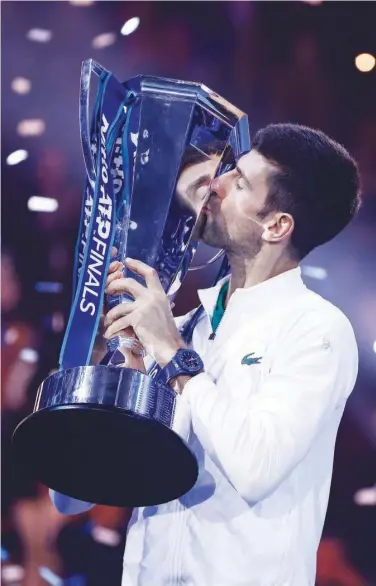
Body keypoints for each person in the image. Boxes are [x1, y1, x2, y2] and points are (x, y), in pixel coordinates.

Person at [51, 123, 361, 586]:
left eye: (239, 183)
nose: (214, 184)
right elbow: (71, 498)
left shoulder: (317, 330)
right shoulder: (180, 328)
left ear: (276, 225)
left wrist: (175, 358)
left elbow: (256, 467)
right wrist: (108, 381)